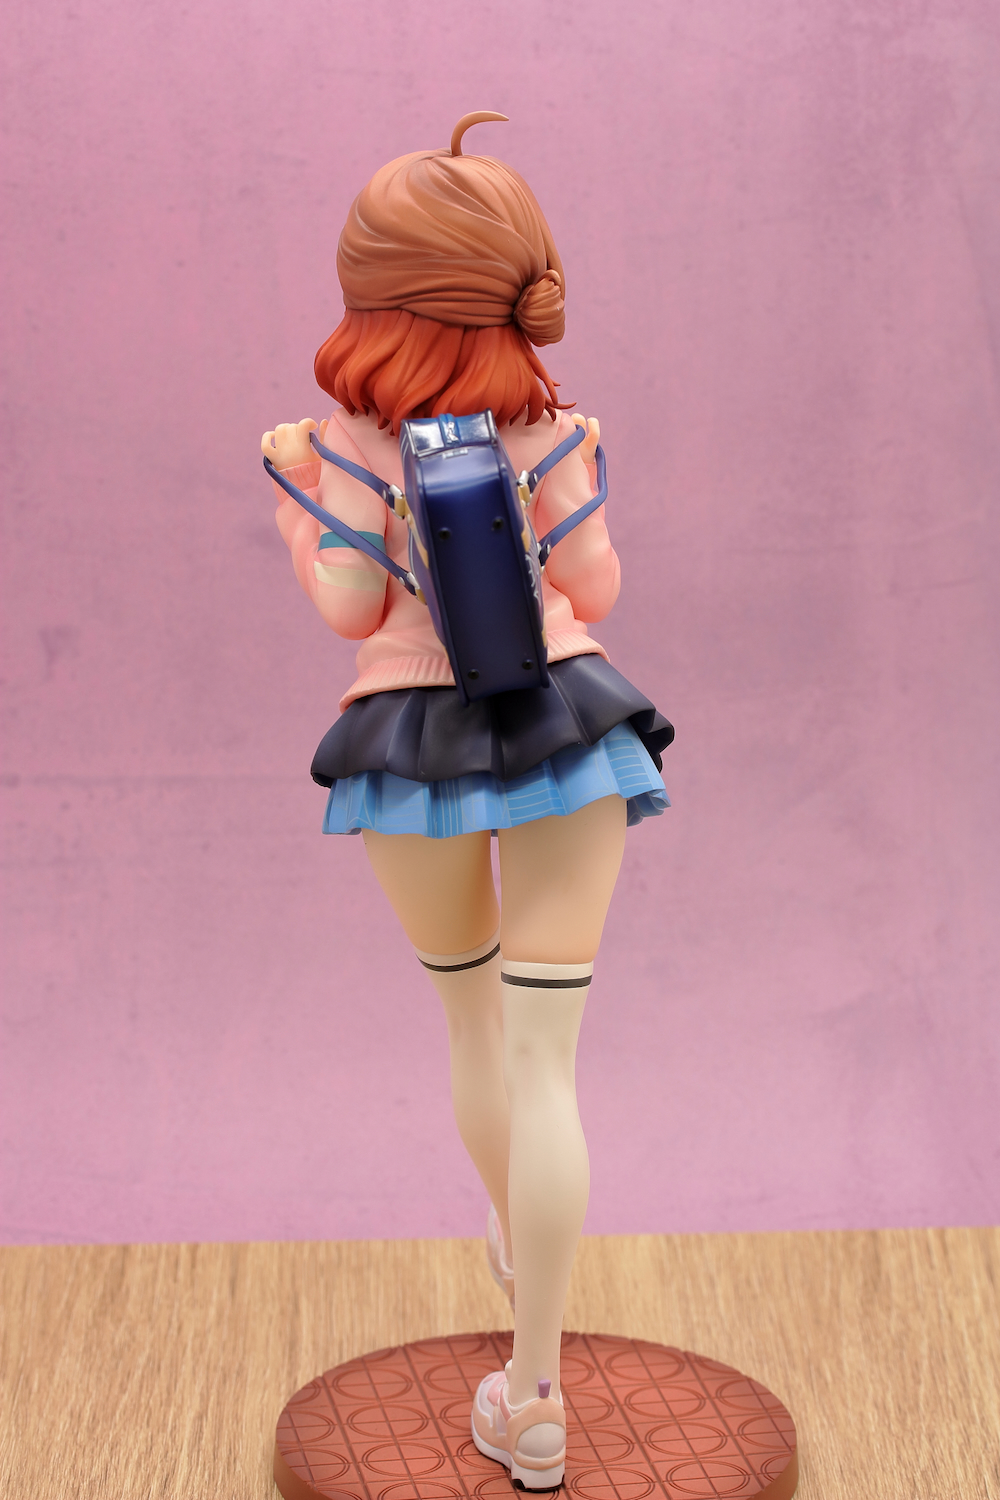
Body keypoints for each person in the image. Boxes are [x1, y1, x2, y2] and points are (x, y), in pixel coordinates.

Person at [262, 111, 672, 1491]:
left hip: (411, 741)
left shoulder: (347, 442)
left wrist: (299, 498)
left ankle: (510, 1224)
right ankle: (538, 1393)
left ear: (372, 295)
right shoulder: (557, 431)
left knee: (472, 1018)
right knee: (550, 1060)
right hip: (569, 725)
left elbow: (348, 607)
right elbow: (596, 590)